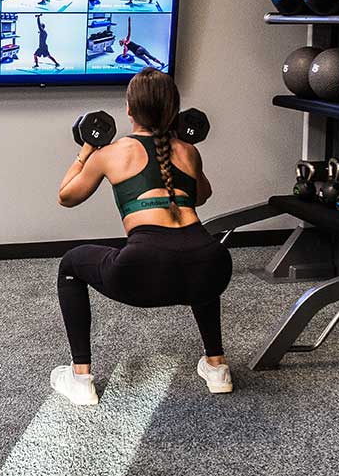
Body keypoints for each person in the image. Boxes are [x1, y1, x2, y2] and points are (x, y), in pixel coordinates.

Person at [53, 68, 233, 405]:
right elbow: (202, 196)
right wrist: (186, 147)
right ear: (173, 110)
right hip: (213, 265)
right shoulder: (188, 151)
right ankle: (216, 366)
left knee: (70, 264)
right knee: (196, 257)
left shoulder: (112, 153)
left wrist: (87, 150)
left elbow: (66, 196)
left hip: (142, 270)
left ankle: (80, 379)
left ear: (129, 109)